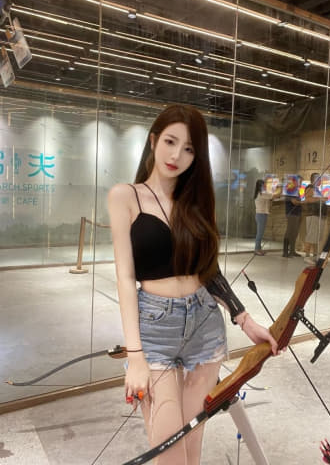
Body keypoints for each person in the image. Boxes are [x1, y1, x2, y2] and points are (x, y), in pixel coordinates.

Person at [108, 104, 280, 465]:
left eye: (188, 148)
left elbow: (208, 270)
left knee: (192, 444)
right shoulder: (125, 196)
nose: (176, 156)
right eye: (170, 142)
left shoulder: (196, 202)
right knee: (170, 452)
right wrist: (135, 357)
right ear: (153, 141)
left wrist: (245, 319)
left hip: (204, 324)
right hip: (155, 328)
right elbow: (124, 279)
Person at [303, 172, 328, 263]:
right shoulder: (310, 188)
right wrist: (321, 199)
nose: (320, 180)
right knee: (311, 236)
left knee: (316, 236)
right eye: (319, 178)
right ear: (314, 179)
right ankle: (307, 256)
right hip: (313, 215)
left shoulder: (317, 190)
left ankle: (315, 255)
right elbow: (308, 199)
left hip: (318, 215)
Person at [254, 178, 279, 255]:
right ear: (260, 186)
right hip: (261, 215)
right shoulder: (262, 194)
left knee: (260, 233)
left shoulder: (261, 193)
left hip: (261, 215)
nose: (265, 186)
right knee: (260, 233)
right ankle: (256, 249)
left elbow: (270, 198)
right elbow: (274, 196)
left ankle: (259, 249)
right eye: (264, 185)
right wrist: (280, 189)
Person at [283, 176, 303, 257]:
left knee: (295, 233)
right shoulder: (290, 191)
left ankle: (292, 251)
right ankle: (285, 252)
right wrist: (304, 202)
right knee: (289, 232)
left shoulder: (297, 191)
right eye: (300, 182)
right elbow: (294, 202)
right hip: (291, 213)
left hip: (297, 213)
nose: (301, 184)